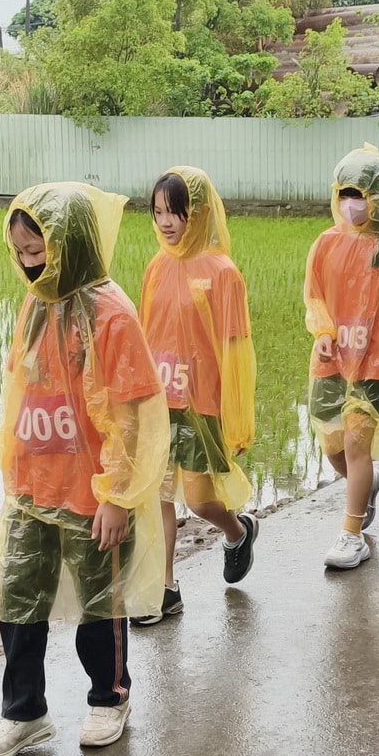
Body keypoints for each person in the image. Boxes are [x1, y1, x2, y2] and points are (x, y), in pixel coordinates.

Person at [0, 184, 169, 756]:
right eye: (21, 253)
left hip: (92, 492)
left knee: (99, 604)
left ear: (70, 246)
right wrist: (14, 471)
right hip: (34, 485)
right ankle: (24, 713)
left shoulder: (110, 314)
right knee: (17, 596)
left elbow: (132, 415)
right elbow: (21, 387)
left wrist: (117, 495)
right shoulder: (36, 305)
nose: (29, 263)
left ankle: (110, 697)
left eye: (38, 251)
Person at [136, 167, 258, 623]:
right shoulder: (156, 267)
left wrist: (237, 416)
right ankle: (165, 588)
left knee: (200, 499)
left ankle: (237, 530)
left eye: (176, 212)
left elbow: (236, 350)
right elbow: (146, 336)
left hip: (202, 403)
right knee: (158, 495)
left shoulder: (223, 273)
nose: (165, 222)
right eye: (158, 212)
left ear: (200, 213)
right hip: (160, 401)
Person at [304, 144, 379, 568]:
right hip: (334, 357)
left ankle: (351, 535)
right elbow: (314, 296)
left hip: (376, 360)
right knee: (333, 445)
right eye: (344, 194)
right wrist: (323, 330)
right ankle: (368, 482)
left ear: (377, 195)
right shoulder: (327, 243)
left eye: (358, 194)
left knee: (357, 443)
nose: (351, 203)